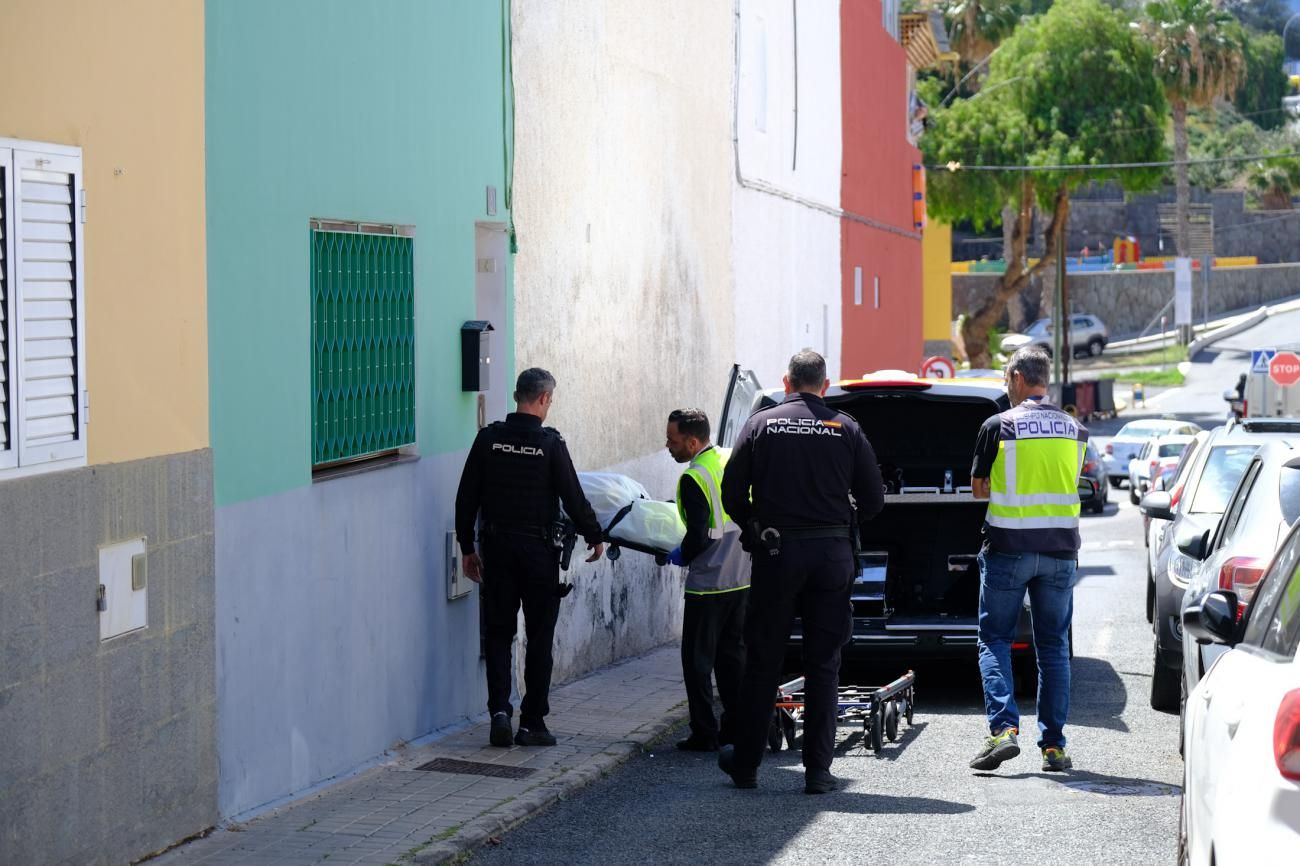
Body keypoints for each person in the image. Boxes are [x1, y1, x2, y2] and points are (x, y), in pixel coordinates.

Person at [717, 350, 885, 794]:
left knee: (762, 662)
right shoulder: (846, 427)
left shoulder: (761, 423)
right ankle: (818, 772)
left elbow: (731, 489)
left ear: (786, 381)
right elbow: (873, 500)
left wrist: (754, 526)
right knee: (824, 664)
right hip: (831, 556)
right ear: (824, 385)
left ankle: (747, 765)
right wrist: (840, 521)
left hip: (777, 552)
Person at [454, 368, 605, 748]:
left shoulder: (488, 439)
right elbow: (573, 496)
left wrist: (467, 548)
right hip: (539, 555)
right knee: (539, 639)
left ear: (517, 394)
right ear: (543, 399)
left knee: (499, 635)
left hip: (497, 552)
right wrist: (594, 535)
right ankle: (532, 722)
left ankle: (500, 713)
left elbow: (466, 498)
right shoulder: (550, 444)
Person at [969, 346, 1088, 773]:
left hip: (1007, 551)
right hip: (1060, 553)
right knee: (1053, 647)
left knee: (994, 639)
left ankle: (1003, 731)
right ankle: (1053, 746)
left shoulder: (998, 425)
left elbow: (979, 489)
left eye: (1006, 377)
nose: (1005, 384)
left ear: (1019, 377)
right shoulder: (1076, 429)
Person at [664, 408, 751, 752]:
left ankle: (704, 732)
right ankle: (735, 726)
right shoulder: (728, 458)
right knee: (733, 659)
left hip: (708, 584)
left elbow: (699, 535)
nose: (668, 446)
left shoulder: (694, 477)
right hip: (741, 577)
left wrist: (679, 554)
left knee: (697, 662)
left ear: (692, 441)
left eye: (673, 440)